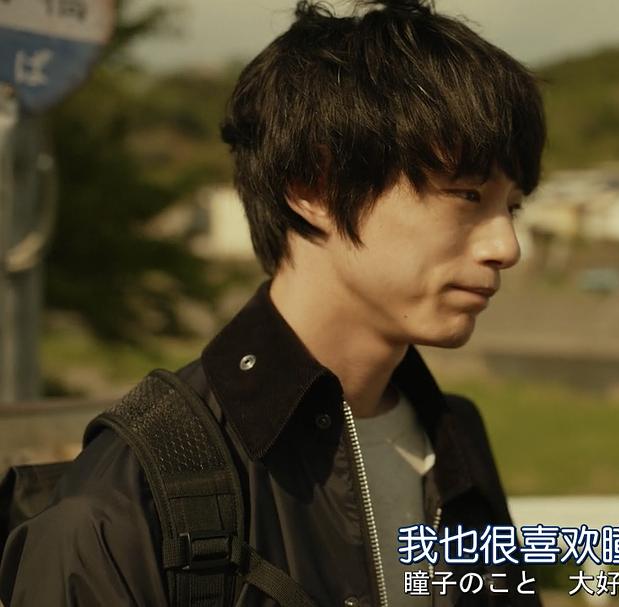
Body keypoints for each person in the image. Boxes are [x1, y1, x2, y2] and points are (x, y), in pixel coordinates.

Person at [0, 0, 546, 605]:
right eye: (467, 195)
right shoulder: (135, 492)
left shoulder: (455, 437)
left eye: (512, 206)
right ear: (314, 186)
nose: (507, 247)